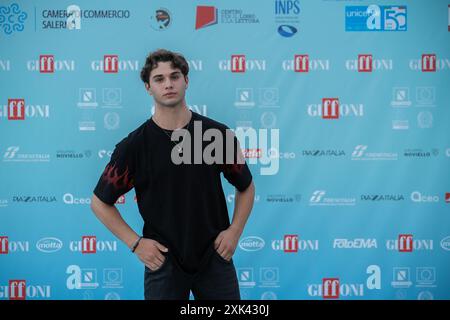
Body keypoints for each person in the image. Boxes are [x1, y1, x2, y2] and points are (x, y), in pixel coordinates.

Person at [90, 49, 255, 300]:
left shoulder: (216, 135)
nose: (168, 84)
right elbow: (99, 202)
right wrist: (135, 244)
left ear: (186, 81)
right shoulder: (134, 146)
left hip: (214, 258)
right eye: (159, 79)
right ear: (148, 87)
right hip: (163, 262)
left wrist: (235, 231)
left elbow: (246, 186)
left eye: (174, 76)